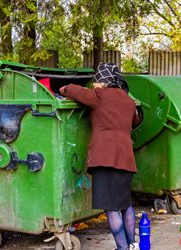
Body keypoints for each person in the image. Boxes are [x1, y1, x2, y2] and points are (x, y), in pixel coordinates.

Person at [59, 63, 139, 250]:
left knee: (111, 208)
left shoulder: (99, 96)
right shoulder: (128, 101)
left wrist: (62, 89)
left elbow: (73, 90)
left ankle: (122, 248)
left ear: (103, 82)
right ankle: (132, 245)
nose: (94, 84)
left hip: (105, 159)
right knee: (125, 205)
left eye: (97, 81)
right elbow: (135, 121)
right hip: (126, 158)